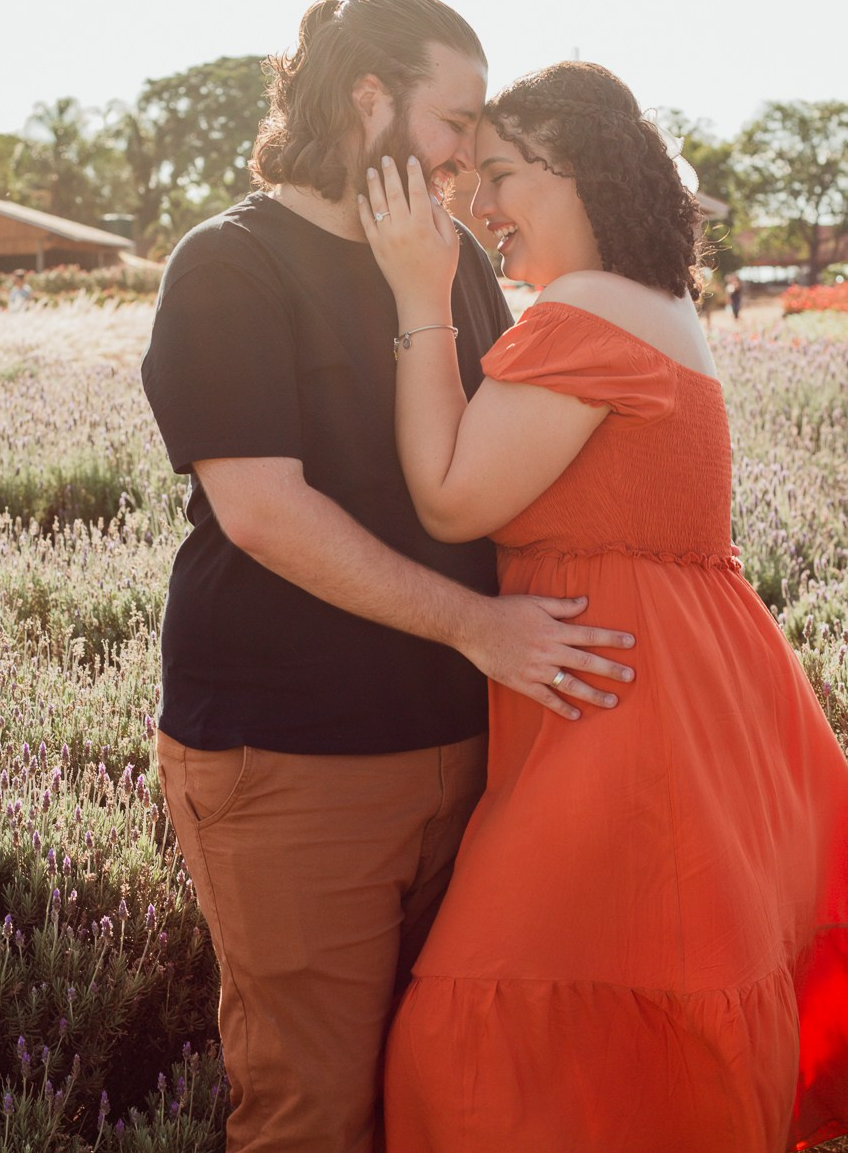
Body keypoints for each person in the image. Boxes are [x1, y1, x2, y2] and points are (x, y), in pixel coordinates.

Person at [140, 0, 636, 1153]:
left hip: (466, 746)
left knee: (443, 1085)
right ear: (368, 98)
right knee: (315, 1105)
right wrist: (478, 627)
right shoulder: (226, 264)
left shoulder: (453, 257)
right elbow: (263, 514)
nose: (471, 153)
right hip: (292, 758)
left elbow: (499, 460)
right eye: (454, 118)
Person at [361, 61, 848, 1153]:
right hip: (684, 686)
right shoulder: (658, 303)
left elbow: (449, 497)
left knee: (493, 1029)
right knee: (640, 1015)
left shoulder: (581, 311)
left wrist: (413, 296)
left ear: (578, 170)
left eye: (498, 174)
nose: (477, 205)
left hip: (618, 705)